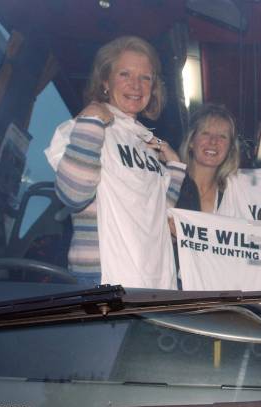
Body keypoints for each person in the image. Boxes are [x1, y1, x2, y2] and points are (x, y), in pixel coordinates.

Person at [45, 36, 185, 288]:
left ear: (153, 88)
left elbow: (160, 216)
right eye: (125, 74)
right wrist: (92, 122)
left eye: (146, 78)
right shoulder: (83, 126)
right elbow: (73, 195)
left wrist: (174, 167)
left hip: (152, 279)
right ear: (105, 82)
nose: (136, 85)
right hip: (102, 279)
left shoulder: (147, 143)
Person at [176, 103, 240, 212]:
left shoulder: (234, 195)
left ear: (230, 148)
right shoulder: (171, 183)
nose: (213, 141)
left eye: (222, 136)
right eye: (206, 133)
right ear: (191, 141)